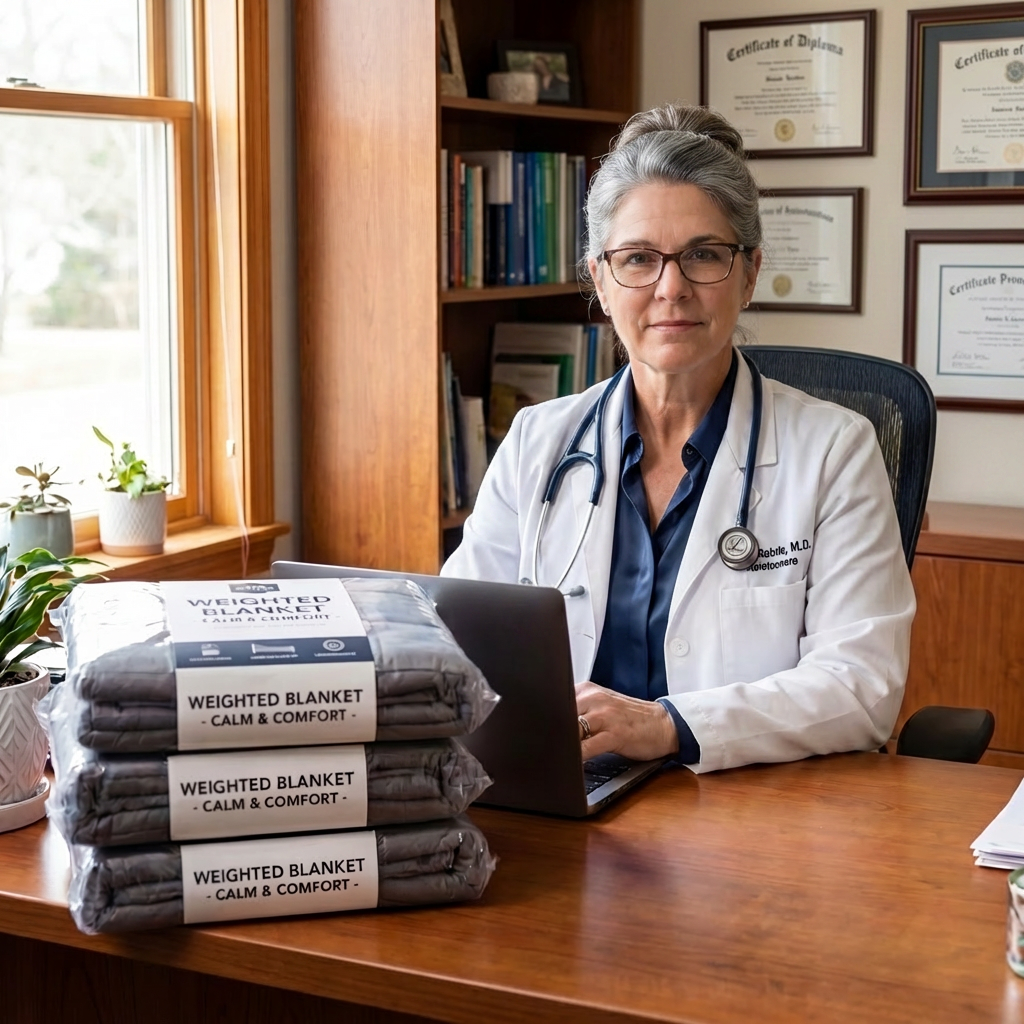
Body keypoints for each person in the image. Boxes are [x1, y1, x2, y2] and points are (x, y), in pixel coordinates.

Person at [441, 104, 915, 774]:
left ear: (749, 274)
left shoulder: (835, 451)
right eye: (638, 259)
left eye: (703, 256)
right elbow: (460, 643)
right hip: (568, 794)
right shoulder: (536, 442)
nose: (672, 288)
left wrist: (669, 726)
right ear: (600, 280)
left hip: (752, 802)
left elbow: (861, 686)